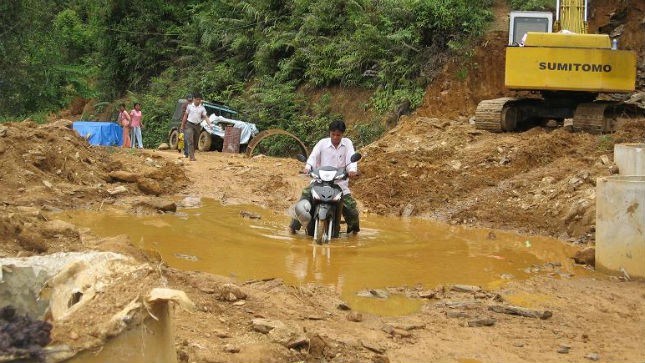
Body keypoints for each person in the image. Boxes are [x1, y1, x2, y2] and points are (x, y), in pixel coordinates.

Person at [289, 120, 360, 235]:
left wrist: (352, 170)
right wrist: (308, 167)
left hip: (339, 184)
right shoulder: (322, 143)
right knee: (304, 198)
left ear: (343, 134)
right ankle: (293, 226)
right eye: (333, 134)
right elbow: (313, 156)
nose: (336, 137)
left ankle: (353, 231)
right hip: (319, 182)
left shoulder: (347, 144)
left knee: (352, 210)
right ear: (329, 133)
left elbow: (352, 158)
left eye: (338, 135)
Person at [180, 93, 212, 161]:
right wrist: (182, 125)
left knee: (195, 141)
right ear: (194, 99)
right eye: (197, 99)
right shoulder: (189, 106)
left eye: (199, 100)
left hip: (197, 125)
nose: (198, 101)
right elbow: (185, 116)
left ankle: (192, 153)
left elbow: (205, 117)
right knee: (190, 140)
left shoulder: (202, 108)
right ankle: (192, 157)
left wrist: (210, 124)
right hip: (189, 125)